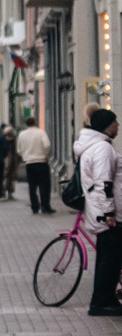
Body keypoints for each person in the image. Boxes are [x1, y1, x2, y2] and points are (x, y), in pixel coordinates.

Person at [75, 108, 122, 316]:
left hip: (99, 211)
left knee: (107, 258)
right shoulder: (102, 148)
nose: (118, 125)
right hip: (108, 214)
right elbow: (104, 183)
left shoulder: (93, 146)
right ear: (107, 125)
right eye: (115, 122)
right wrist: (109, 212)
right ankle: (102, 302)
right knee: (110, 259)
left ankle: (106, 298)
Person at [18, 115, 54, 215]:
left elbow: (19, 149)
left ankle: (34, 207)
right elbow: (47, 144)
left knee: (32, 186)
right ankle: (45, 206)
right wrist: (45, 154)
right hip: (41, 161)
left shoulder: (22, 134)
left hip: (29, 163)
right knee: (44, 185)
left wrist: (25, 156)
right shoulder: (40, 132)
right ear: (35, 122)